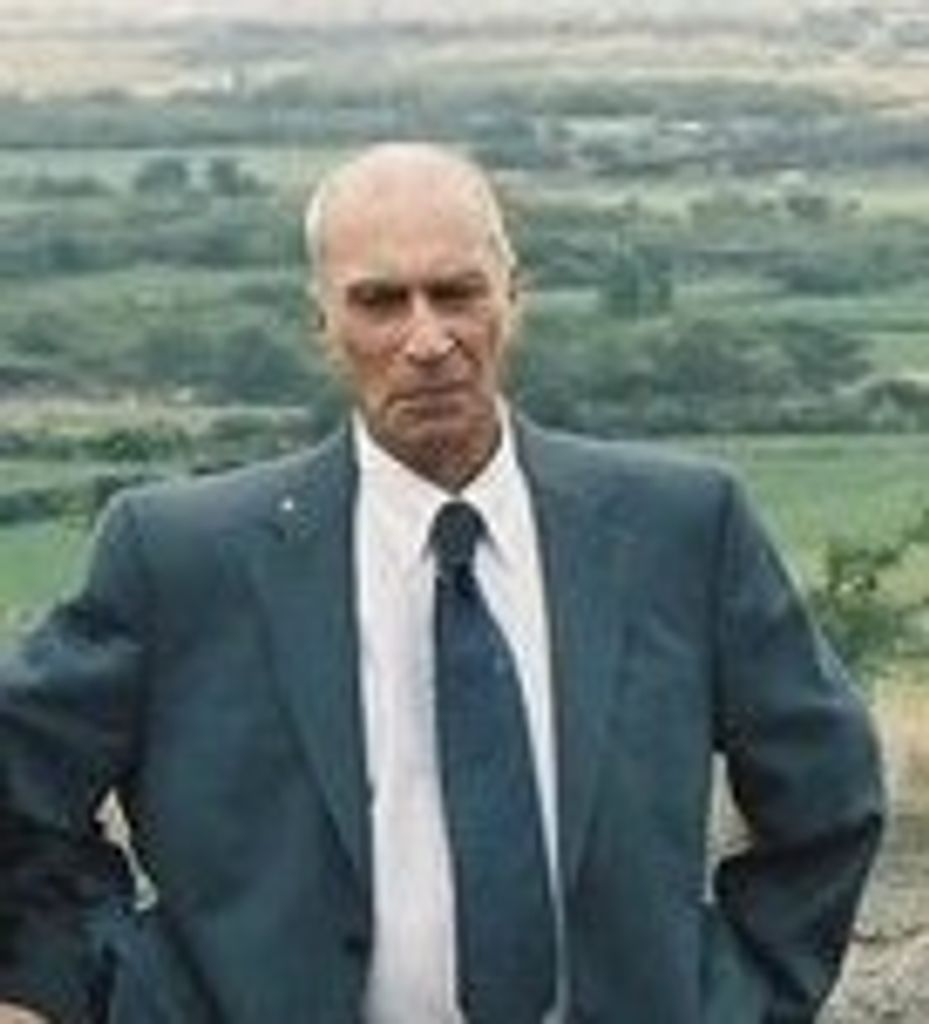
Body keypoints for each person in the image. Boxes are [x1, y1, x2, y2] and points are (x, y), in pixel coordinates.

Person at [0, 142, 883, 1024]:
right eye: (380, 302)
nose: (426, 340)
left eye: (456, 293)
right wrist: (85, 987)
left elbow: (827, 793)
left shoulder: (679, 529)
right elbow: (18, 785)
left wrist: (736, 999)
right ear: (322, 321)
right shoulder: (181, 557)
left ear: (512, 297)